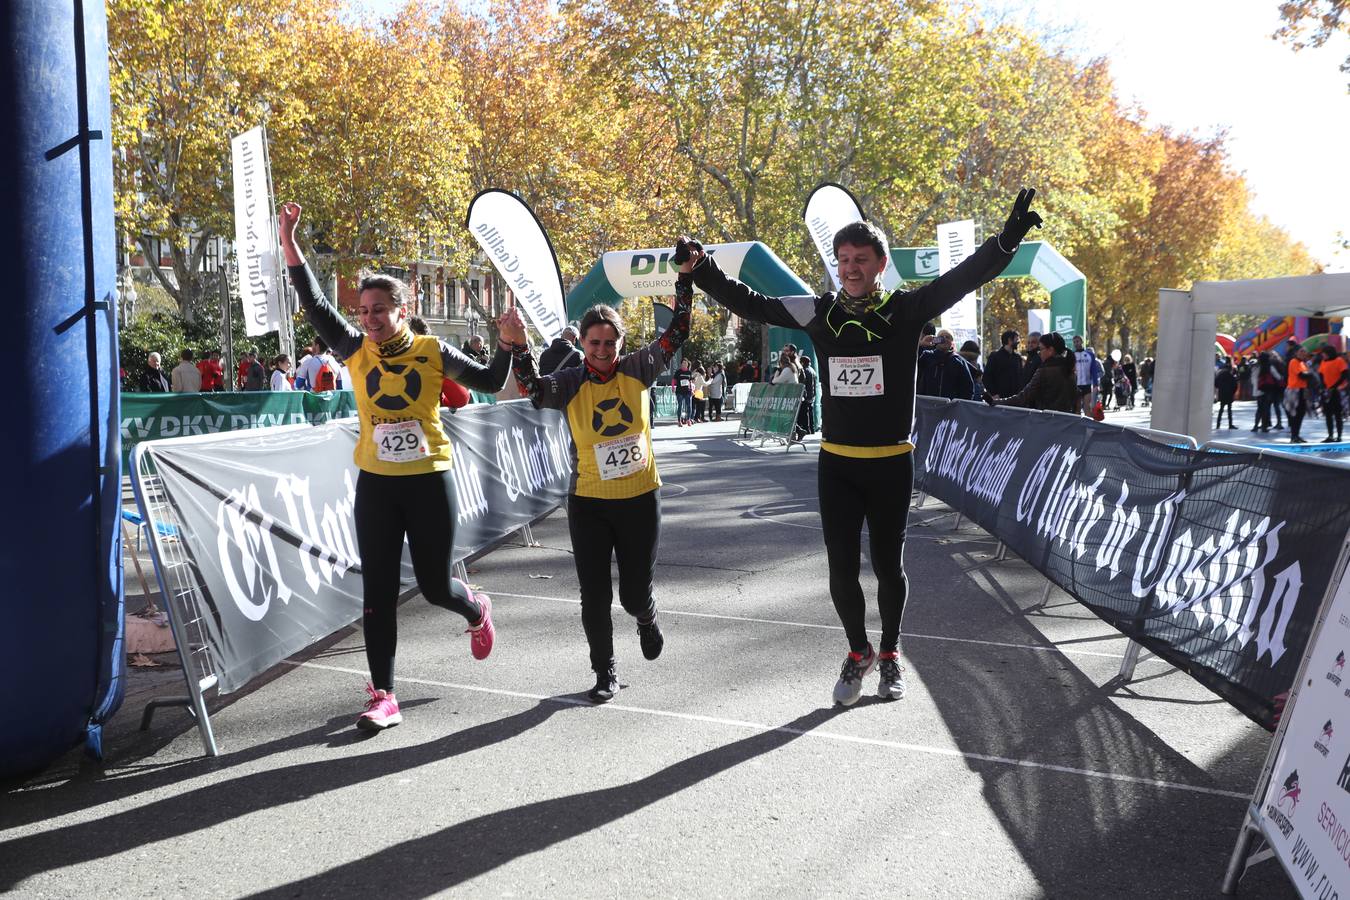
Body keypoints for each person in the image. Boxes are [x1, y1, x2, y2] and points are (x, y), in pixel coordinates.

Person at [680, 187, 1042, 705]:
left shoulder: (908, 308)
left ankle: (891, 655)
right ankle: (858, 652)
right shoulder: (817, 310)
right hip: (838, 465)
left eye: (860, 260)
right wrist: (703, 267)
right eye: (843, 260)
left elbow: (964, 279)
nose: (849, 268)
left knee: (889, 567)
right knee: (841, 569)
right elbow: (751, 303)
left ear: (880, 264)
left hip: (891, 463)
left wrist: (1005, 241)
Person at [279, 200, 516, 731]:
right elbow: (314, 302)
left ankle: (476, 609)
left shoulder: (433, 351)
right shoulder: (355, 351)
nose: (369, 319)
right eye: (363, 311)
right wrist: (289, 241)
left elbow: (490, 382)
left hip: (430, 482)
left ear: (400, 311)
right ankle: (384, 695)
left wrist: (507, 344)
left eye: (379, 310)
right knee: (378, 591)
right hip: (377, 486)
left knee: (434, 587)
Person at [506, 285, 692, 703]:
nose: (603, 349)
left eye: (610, 342)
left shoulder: (640, 367)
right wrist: (519, 347)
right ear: (583, 343)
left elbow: (678, 331)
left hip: (640, 497)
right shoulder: (571, 381)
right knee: (594, 594)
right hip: (588, 501)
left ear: (621, 342)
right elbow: (533, 391)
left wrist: (686, 278)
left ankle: (646, 616)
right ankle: (604, 670)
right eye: (595, 342)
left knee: (631, 594)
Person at [983, 332, 1077, 413]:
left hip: (1048, 422)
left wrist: (995, 402)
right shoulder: (1069, 368)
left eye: (1041, 349)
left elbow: (1023, 397)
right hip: (1066, 423)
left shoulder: (1045, 370)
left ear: (1051, 350)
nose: (1039, 353)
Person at [917, 330, 975, 401]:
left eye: (947, 337)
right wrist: (921, 344)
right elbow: (911, 365)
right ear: (936, 341)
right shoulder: (927, 356)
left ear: (952, 342)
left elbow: (968, 388)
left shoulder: (959, 361)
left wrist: (959, 406)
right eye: (941, 337)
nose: (944, 339)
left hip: (950, 408)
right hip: (927, 405)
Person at [1319, 345, 1347, 442]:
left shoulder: (1339, 360)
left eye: (1324, 353)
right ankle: (1330, 435)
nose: (1322, 355)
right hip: (1327, 391)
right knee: (1328, 414)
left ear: (1328, 353)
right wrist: (1323, 386)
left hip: (1337, 391)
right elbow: (1321, 374)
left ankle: (1339, 436)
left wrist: (1334, 386)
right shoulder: (1323, 362)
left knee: (1338, 414)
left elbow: (1344, 375)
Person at [1286, 346, 1314, 444]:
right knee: (1295, 414)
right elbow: (1302, 375)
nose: (1303, 353)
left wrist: (1310, 374)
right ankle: (1293, 436)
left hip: (1302, 390)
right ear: (1296, 352)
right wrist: (1311, 374)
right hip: (1294, 390)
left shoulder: (1303, 363)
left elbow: (1307, 375)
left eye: (1304, 351)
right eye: (1301, 351)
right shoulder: (1294, 361)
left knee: (1301, 414)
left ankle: (1296, 435)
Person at [984, 330, 1022, 399]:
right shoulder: (995, 356)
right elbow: (986, 377)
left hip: (1015, 398)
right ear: (1010, 340)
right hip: (1000, 398)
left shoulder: (1017, 358)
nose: (1018, 342)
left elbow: (1020, 376)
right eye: (1016, 339)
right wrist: (994, 394)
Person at [1072, 336, 1102, 416]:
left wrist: (1095, 384)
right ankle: (1077, 427)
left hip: (1087, 385)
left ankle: (1088, 427)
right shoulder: (1072, 355)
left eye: (1077, 341)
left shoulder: (1090, 355)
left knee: (1087, 407)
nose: (1076, 343)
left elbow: (1094, 370)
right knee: (1077, 408)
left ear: (1082, 342)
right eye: (1074, 342)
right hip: (1076, 385)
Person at [796, 355, 818, 438]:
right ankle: (811, 429)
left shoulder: (804, 371)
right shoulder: (812, 370)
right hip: (811, 394)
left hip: (806, 395)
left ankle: (807, 429)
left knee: (805, 413)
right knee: (810, 412)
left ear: (802, 362)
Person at [1214, 358, 1237, 429]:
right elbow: (1235, 385)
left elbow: (1216, 383)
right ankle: (1230, 424)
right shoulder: (1231, 375)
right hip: (1229, 394)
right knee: (1229, 410)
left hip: (1222, 393)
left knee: (1221, 409)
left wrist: (1220, 389)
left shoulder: (1220, 374)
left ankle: (1218, 424)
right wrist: (1232, 392)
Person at [673, 357, 694, 425]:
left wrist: (692, 389)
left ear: (688, 364)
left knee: (689, 406)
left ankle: (688, 419)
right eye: (683, 363)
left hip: (687, 391)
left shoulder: (689, 372)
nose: (685, 364)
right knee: (680, 405)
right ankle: (679, 420)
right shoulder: (678, 372)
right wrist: (673, 387)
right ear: (681, 364)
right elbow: (674, 380)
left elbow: (690, 382)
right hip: (680, 391)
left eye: (686, 363)